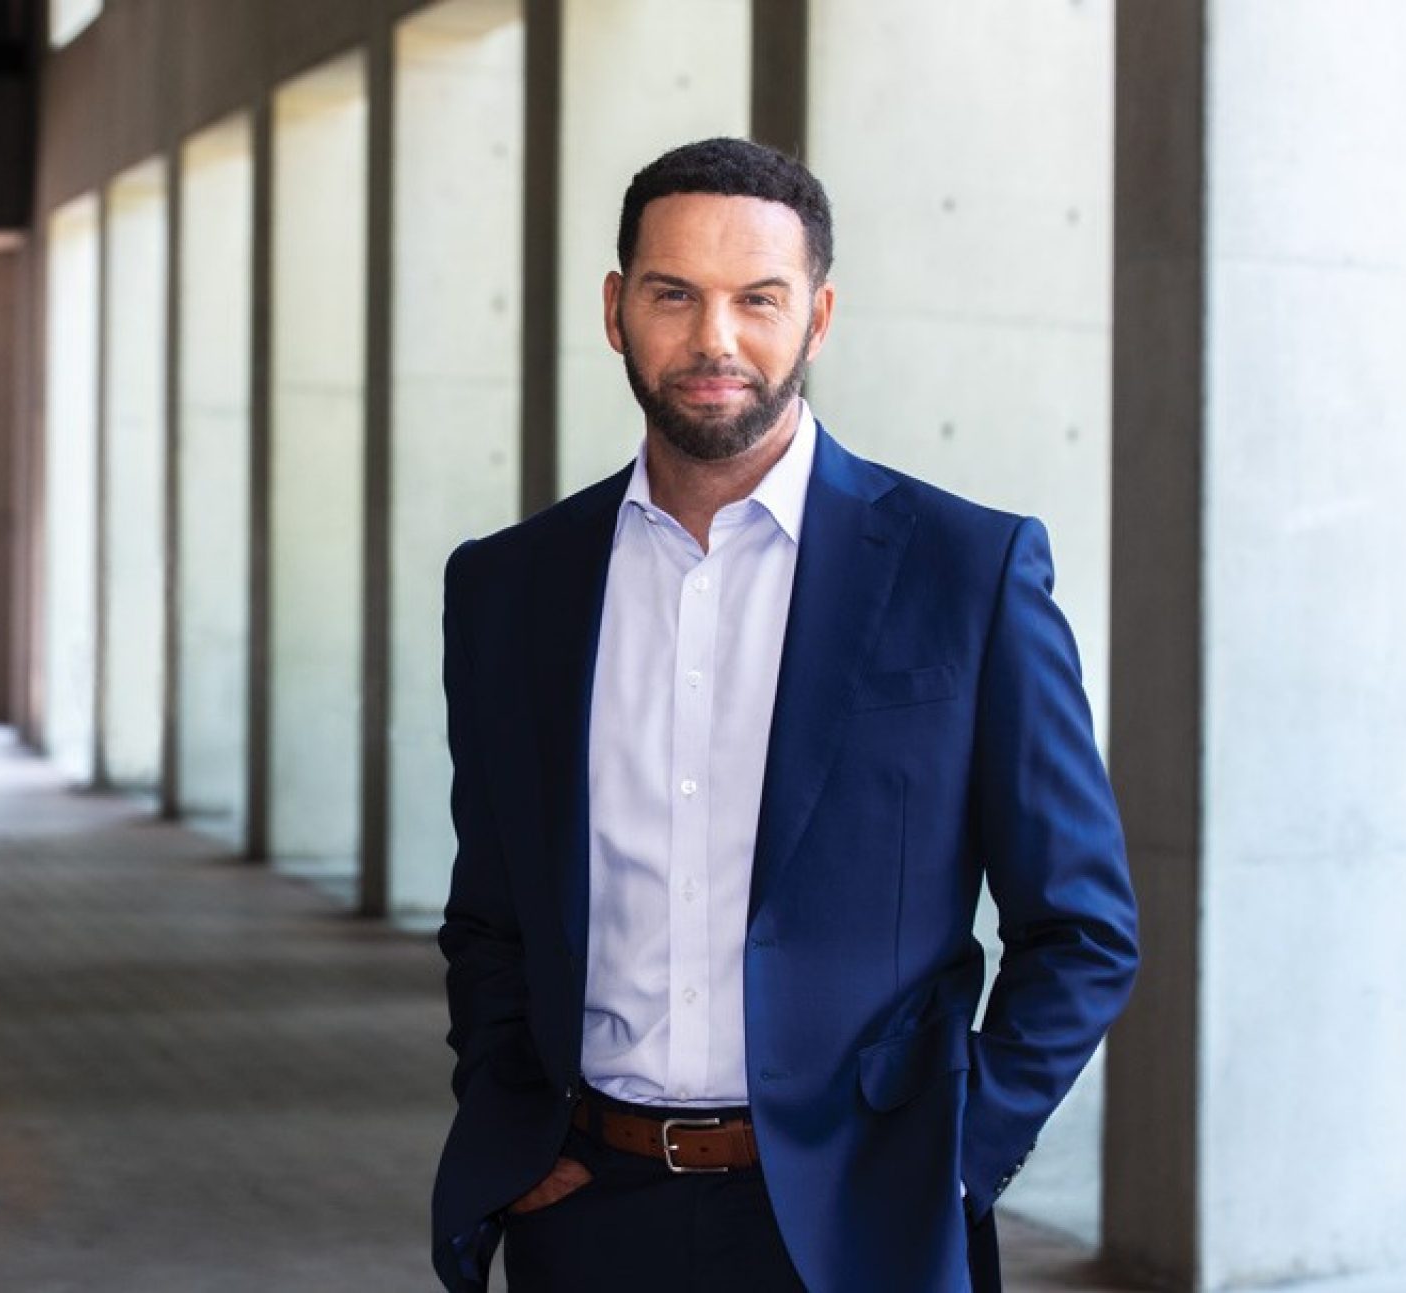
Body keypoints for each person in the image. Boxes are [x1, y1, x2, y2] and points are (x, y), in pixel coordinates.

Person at [430, 137, 1139, 1293]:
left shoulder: (969, 571)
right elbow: (493, 911)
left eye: (759, 299)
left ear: (818, 315)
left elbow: (1084, 926)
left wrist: (957, 1159)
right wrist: (514, 1118)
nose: (716, 338)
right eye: (674, 295)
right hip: (590, 1215)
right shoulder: (508, 588)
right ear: (617, 310)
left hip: (863, 1228)